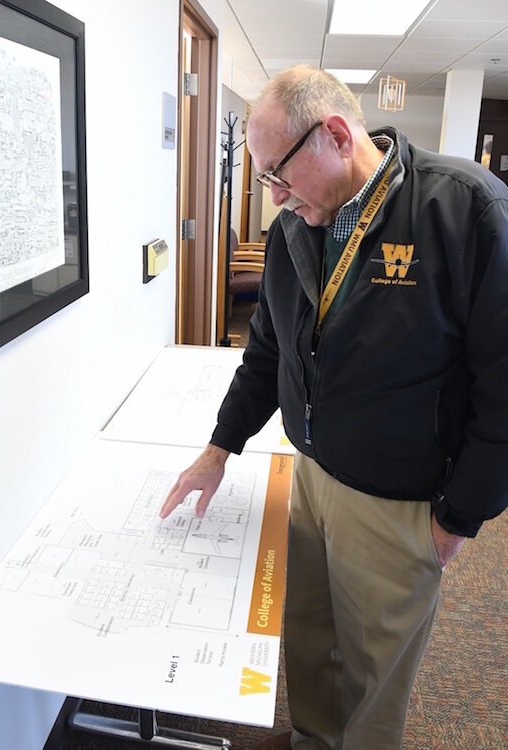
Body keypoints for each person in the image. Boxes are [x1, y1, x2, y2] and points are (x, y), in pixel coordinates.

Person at [160, 65, 508, 750]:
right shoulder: (297, 222)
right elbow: (268, 354)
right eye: (266, 179)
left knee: (376, 672)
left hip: (399, 504)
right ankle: (314, 739)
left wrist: (459, 517)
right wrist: (218, 447)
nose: (277, 196)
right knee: (310, 637)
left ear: (336, 136)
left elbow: (503, 388)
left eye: (280, 175)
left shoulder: (464, 208)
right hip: (311, 480)